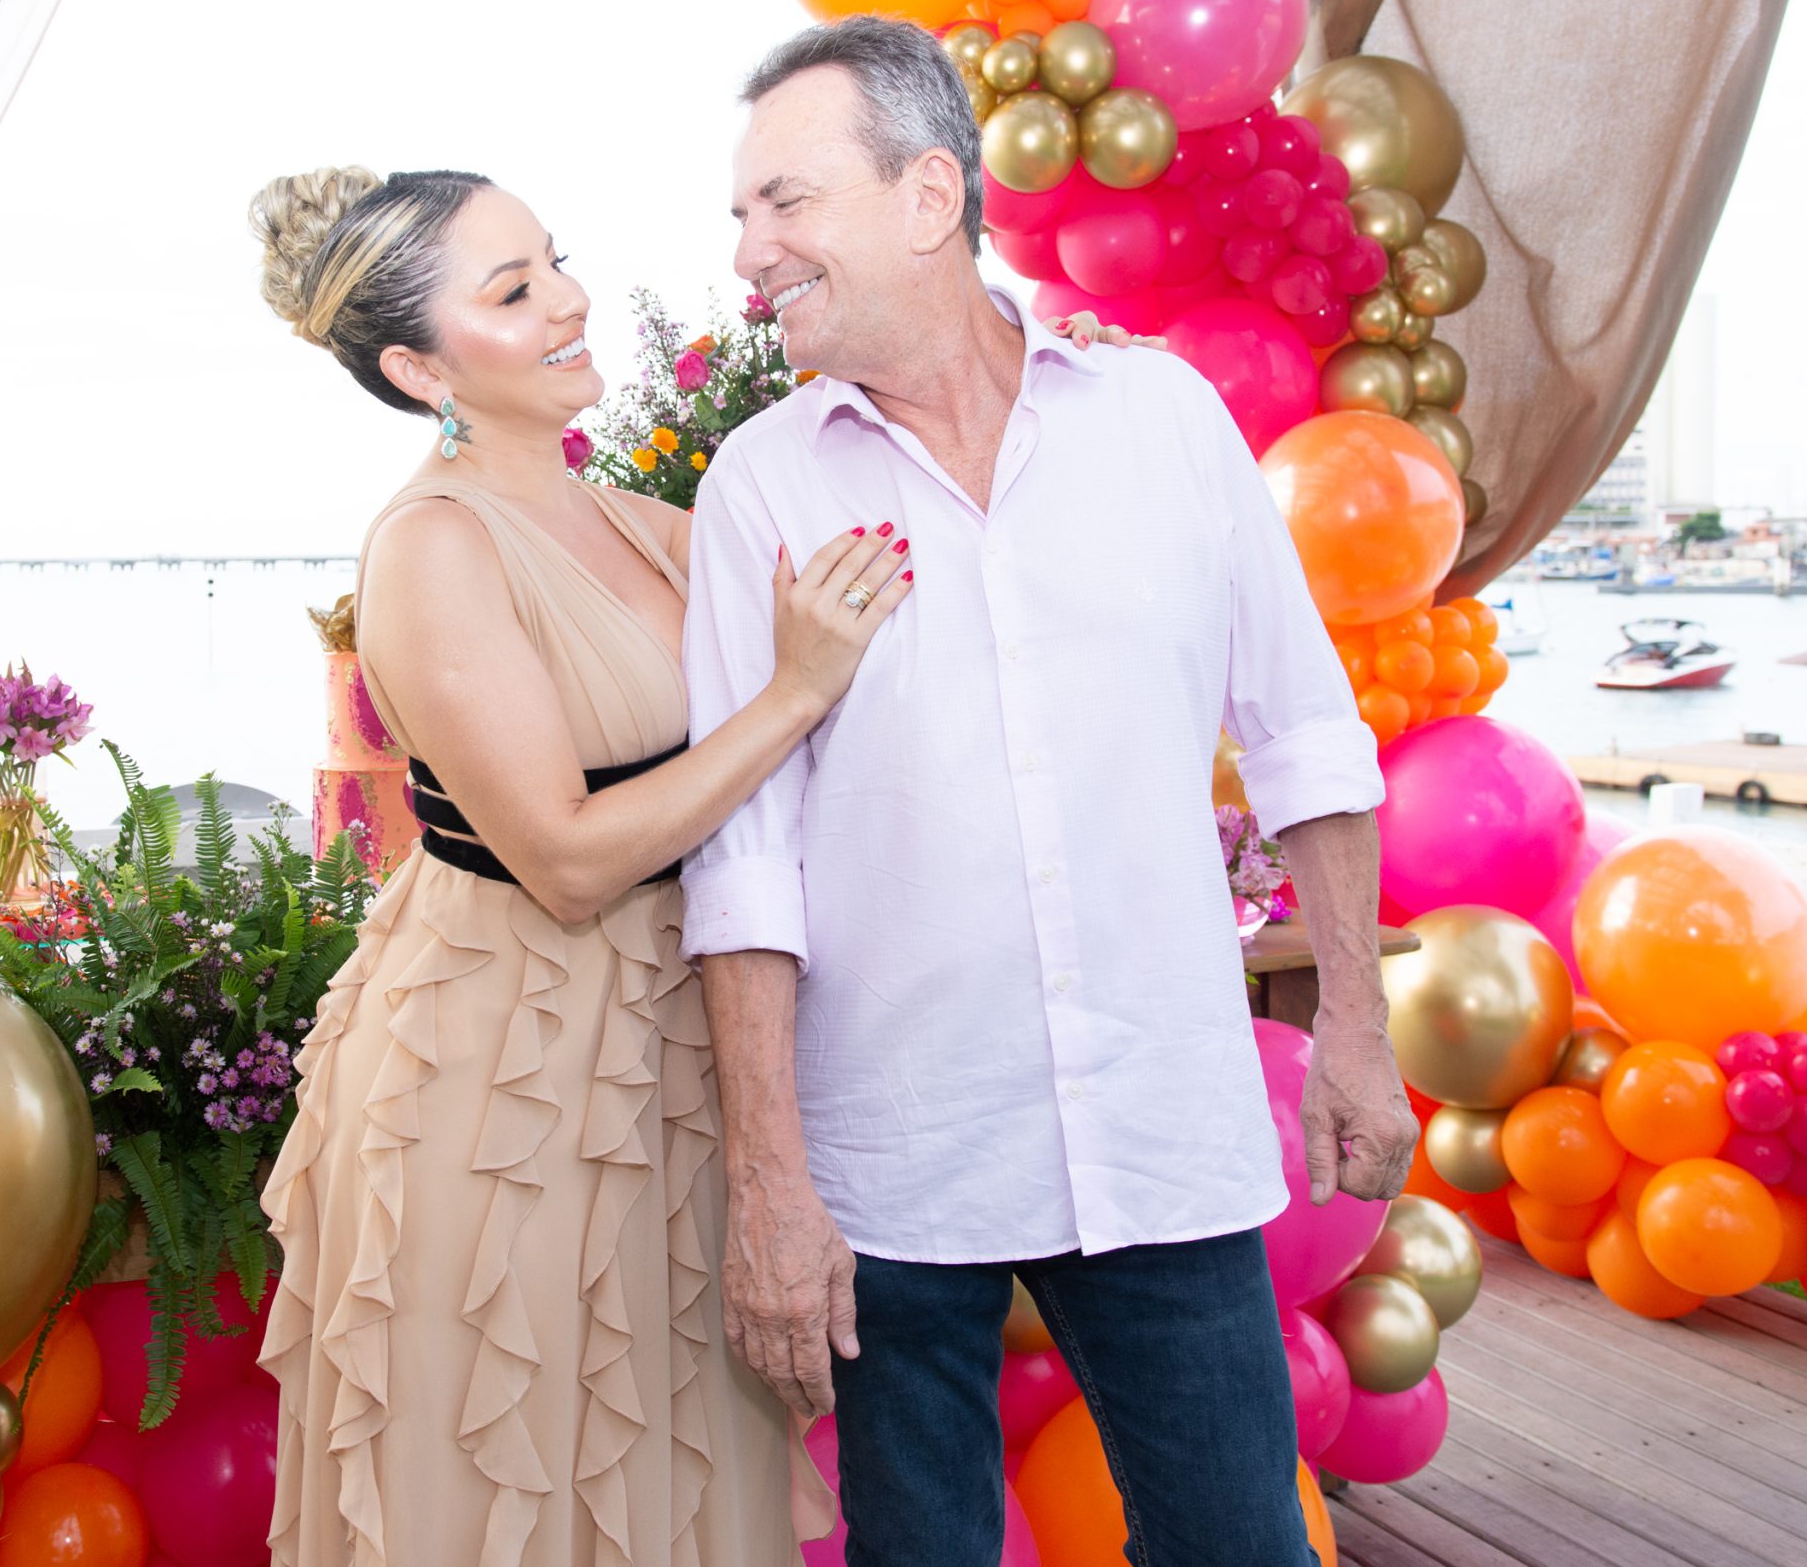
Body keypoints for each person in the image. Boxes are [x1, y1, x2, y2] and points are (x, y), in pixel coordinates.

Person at [247, 163, 1145, 1563]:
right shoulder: (431, 548)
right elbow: (564, 858)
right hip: (511, 1084)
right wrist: (791, 695)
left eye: (555, 261)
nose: (570, 300)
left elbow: (893, 567)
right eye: (515, 290)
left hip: (676, 1057)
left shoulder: (629, 514)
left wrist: (1014, 385)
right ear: (422, 370)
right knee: (529, 1477)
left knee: (676, 1475)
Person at [681, 17, 1413, 1567]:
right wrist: (770, 1185)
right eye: (742, 214)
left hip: (1162, 1133)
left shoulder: (1166, 424)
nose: (748, 251)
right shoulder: (758, 483)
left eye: (784, 203)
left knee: (1243, 1550)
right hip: (893, 1166)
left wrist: (1354, 1020)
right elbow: (743, 863)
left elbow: (1303, 733)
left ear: (928, 197)